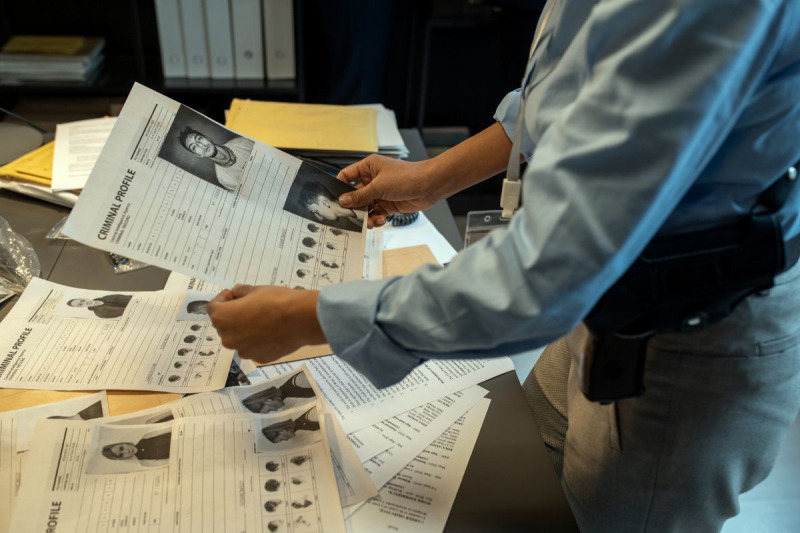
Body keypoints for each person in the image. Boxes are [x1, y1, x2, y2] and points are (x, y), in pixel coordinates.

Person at [207, 2, 800, 531]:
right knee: (520, 471)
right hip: (605, 299)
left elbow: (542, 279)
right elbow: (564, 98)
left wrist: (312, 318)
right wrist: (432, 177)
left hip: (682, 332)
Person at [178, 128, 254, 191]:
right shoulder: (224, 179)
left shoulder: (242, 141)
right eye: (194, 147)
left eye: (199, 139)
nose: (201, 145)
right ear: (198, 155)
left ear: (208, 138)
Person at [298, 180, 365, 231]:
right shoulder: (352, 217)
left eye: (316, 212)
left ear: (324, 202)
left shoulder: (361, 210)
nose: (320, 218)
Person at [241, 372, 315, 413]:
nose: (275, 410)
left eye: (269, 409)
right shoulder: (289, 392)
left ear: (268, 400)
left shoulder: (297, 382)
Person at [101, 428, 172, 467]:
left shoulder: (147, 436)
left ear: (123, 443)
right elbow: (170, 462)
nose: (127, 451)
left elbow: (170, 428)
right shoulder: (144, 462)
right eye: (121, 455)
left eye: (121, 448)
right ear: (122, 458)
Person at [66, 294, 131, 319]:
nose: (85, 302)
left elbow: (129, 297)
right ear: (80, 307)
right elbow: (124, 313)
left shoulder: (105, 297)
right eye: (80, 304)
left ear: (84, 298)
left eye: (82, 300)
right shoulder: (100, 313)